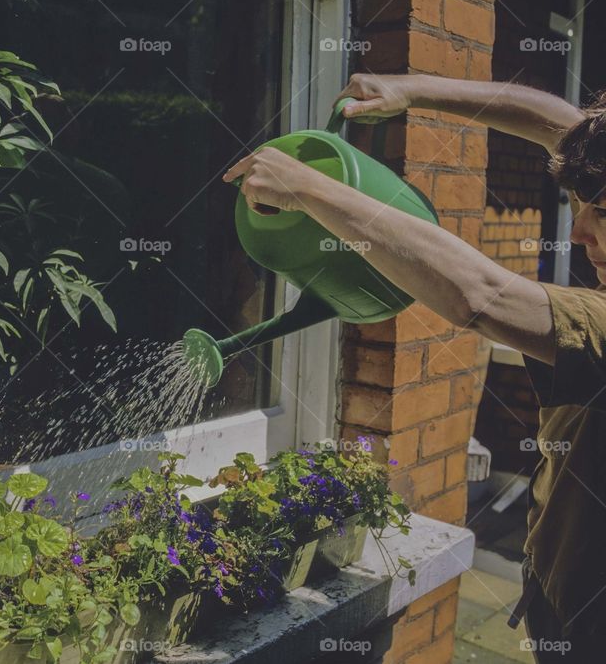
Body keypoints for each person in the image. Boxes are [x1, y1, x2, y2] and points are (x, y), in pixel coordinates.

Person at [223, 73, 605, 663]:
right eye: (579, 206)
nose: (579, 233)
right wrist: (412, 91)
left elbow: (480, 295)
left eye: (602, 213)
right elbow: (559, 122)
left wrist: (306, 189)